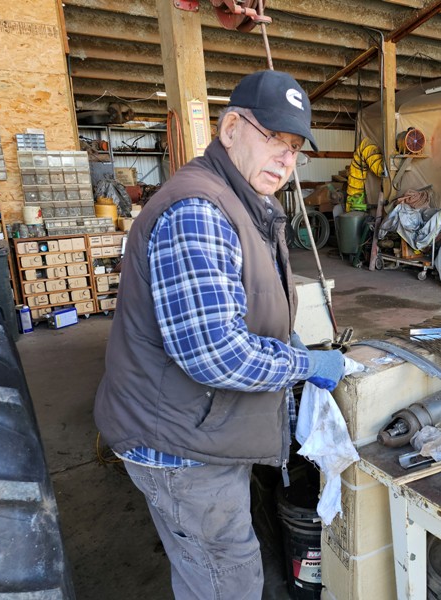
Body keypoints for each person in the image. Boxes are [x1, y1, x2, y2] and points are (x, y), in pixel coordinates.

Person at [94, 70, 347, 600]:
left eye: (296, 147)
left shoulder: (246, 203)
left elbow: (241, 306)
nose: (286, 157)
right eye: (274, 138)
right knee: (225, 580)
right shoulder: (198, 210)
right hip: (180, 448)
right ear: (230, 127)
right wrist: (304, 365)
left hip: (199, 430)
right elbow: (216, 353)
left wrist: (287, 343)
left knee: (208, 568)